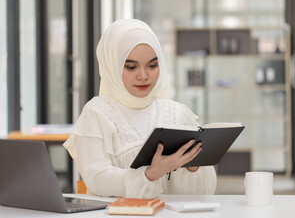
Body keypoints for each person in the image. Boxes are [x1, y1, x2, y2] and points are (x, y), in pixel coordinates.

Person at [63, 19, 217, 198]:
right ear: (111, 66)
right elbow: (97, 180)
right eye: (131, 67)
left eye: (152, 65)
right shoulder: (96, 113)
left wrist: (192, 166)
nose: (143, 76)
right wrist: (150, 174)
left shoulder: (177, 113)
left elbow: (205, 191)